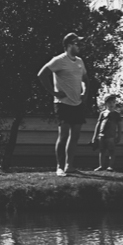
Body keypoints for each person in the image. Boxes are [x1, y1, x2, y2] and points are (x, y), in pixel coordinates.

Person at [37, 32, 87, 175]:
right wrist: (54, 93)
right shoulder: (58, 60)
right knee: (63, 134)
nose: (80, 46)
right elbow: (42, 74)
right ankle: (60, 167)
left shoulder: (80, 62)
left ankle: (69, 166)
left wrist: (85, 93)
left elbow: (86, 79)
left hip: (77, 103)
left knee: (75, 135)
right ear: (69, 45)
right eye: (77, 43)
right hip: (62, 103)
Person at [91, 94, 122, 171]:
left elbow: (119, 126)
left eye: (113, 102)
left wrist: (119, 136)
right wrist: (95, 136)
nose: (111, 104)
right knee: (102, 150)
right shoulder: (102, 113)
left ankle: (110, 166)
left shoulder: (116, 114)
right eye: (109, 102)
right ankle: (101, 165)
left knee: (112, 151)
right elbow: (98, 125)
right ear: (106, 103)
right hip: (101, 135)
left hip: (111, 136)